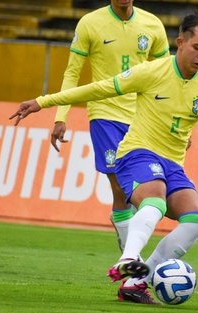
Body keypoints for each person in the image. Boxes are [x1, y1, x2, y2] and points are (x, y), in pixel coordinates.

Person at [10, 9, 198, 305]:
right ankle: (128, 257)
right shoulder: (152, 72)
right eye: (197, 48)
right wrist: (43, 102)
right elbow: (98, 88)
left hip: (172, 163)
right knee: (154, 200)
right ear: (180, 42)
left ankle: (137, 280)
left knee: (195, 219)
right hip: (137, 152)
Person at [50, 0, 170, 261]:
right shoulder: (90, 23)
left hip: (142, 116)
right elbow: (72, 73)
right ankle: (132, 262)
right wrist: (61, 116)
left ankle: (124, 228)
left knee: (142, 191)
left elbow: (167, 77)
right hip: (105, 115)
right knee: (120, 187)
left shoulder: (153, 25)